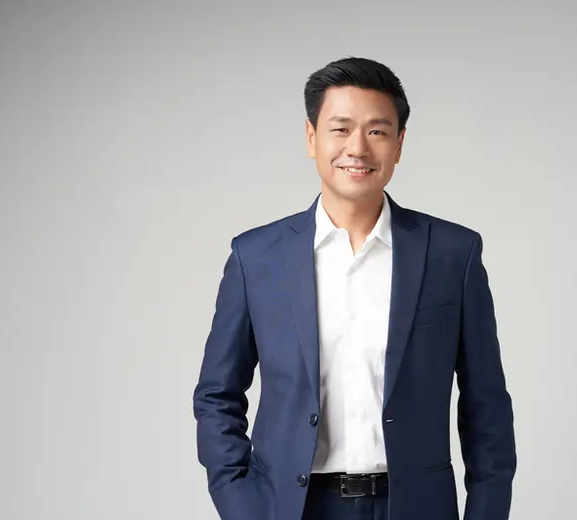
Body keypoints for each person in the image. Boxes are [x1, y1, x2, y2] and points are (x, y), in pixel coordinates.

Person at [193, 56, 517, 520]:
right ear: (311, 138)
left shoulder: (452, 254)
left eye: (377, 131)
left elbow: (487, 408)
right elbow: (216, 396)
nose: (358, 148)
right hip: (294, 508)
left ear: (399, 144)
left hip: (415, 507)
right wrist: (242, 505)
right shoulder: (256, 257)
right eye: (340, 129)